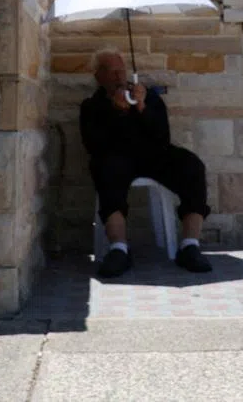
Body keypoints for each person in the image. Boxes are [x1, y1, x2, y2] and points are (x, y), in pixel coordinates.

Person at [80, 48, 212, 277]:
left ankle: (190, 245)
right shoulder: (92, 106)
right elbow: (94, 146)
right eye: (111, 72)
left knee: (191, 166)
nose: (119, 77)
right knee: (105, 169)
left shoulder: (148, 97)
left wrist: (141, 108)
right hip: (116, 160)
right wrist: (116, 113)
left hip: (154, 156)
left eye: (121, 71)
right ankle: (119, 249)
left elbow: (162, 137)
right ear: (98, 77)